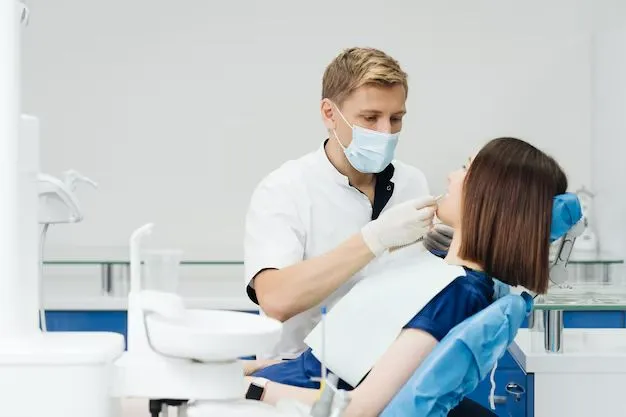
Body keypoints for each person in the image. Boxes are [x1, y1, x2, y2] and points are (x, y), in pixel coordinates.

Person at [245, 137, 568, 417]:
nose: (451, 177)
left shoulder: (457, 295)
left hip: (289, 399)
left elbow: (359, 409)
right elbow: (335, 362)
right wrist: (249, 373)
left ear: (488, 197)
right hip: (289, 380)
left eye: (466, 169)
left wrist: (251, 388)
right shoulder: (449, 277)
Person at [244, 46, 452, 364]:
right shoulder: (284, 190)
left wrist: (443, 256)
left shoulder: (412, 183)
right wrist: (374, 239)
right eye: (370, 118)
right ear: (329, 113)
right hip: (303, 376)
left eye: (396, 118)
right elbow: (275, 299)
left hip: (387, 372)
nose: (387, 132)